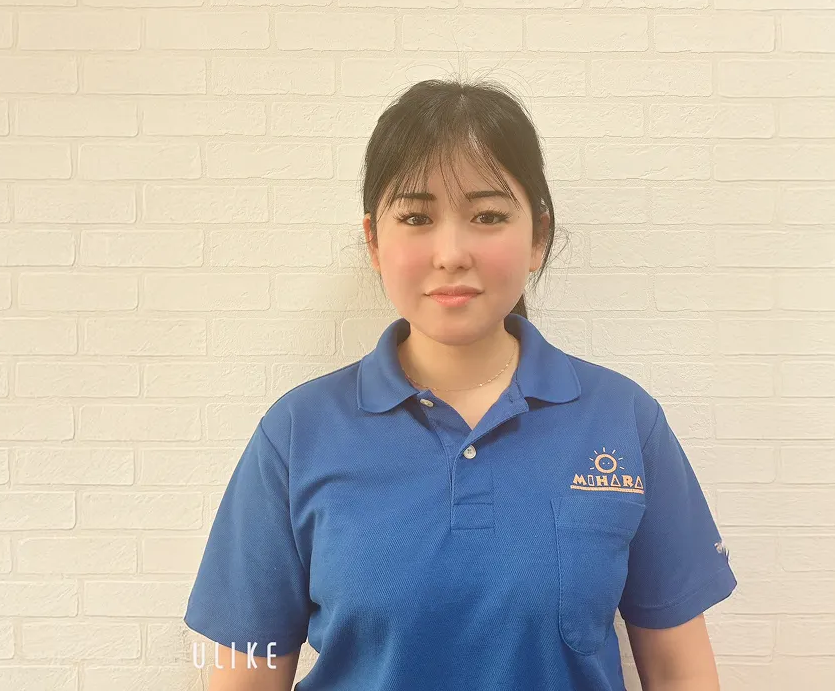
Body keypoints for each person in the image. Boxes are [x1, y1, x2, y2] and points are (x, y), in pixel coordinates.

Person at [183, 77, 737, 691]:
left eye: (488, 216)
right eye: (416, 217)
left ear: (538, 237)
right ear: (374, 241)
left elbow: (679, 669)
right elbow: (244, 674)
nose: (451, 253)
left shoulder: (623, 421)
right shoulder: (297, 434)